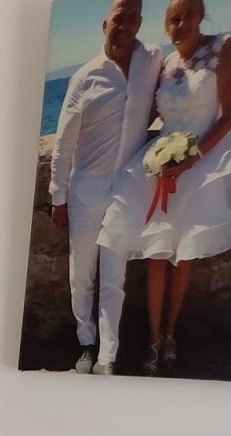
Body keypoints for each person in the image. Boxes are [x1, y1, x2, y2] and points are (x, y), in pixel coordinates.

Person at [100, 0, 231, 373]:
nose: (180, 24)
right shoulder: (166, 65)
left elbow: (229, 113)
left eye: (188, 15)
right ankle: (154, 339)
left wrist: (193, 158)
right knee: (156, 255)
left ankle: (172, 332)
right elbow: (148, 112)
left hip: (202, 162)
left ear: (201, 15)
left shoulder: (222, 47)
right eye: (173, 19)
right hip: (163, 162)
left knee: (183, 255)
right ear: (166, 25)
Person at [49, 0, 162, 374]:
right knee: (81, 274)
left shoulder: (151, 63)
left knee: (115, 278)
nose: (125, 25)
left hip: (127, 190)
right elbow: (64, 142)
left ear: (140, 23)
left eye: (132, 18)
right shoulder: (85, 77)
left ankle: (106, 358)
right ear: (104, 24)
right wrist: (58, 197)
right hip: (85, 189)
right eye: (118, 18)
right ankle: (85, 341)